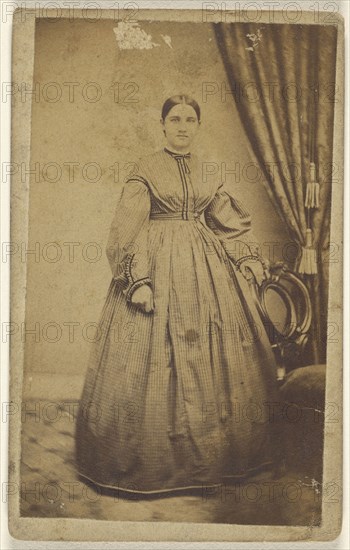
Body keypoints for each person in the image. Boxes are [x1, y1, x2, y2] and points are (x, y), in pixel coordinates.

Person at [75, 94, 279, 494]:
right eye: (175, 119)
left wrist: (248, 258)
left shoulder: (207, 170)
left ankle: (221, 458)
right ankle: (155, 465)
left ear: (197, 126)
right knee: (150, 362)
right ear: (163, 124)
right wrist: (138, 282)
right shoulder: (145, 170)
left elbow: (226, 223)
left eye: (190, 119)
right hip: (157, 268)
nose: (183, 126)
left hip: (208, 269)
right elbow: (125, 230)